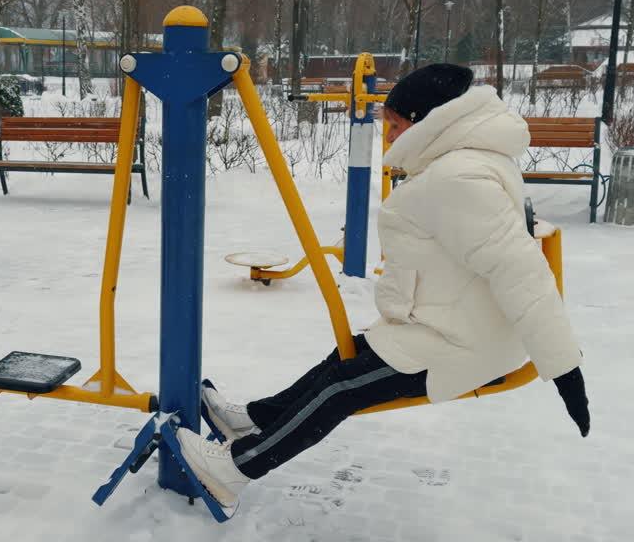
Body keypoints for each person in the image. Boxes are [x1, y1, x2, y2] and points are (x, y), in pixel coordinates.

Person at [176, 63, 590, 509]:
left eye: (395, 126)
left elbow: (520, 273)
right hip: (443, 325)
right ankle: (256, 420)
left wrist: (565, 370)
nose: (389, 138)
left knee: (343, 389)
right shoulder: (460, 163)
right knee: (347, 356)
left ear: (429, 122)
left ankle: (235, 469)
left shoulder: (460, 178)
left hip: (464, 345)